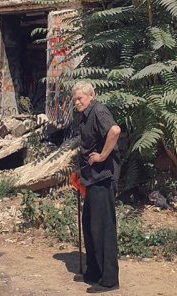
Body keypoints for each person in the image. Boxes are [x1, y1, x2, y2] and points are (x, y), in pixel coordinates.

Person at [72, 81, 121, 293]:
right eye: (75, 99)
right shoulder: (84, 114)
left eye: (80, 98)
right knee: (90, 225)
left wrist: (102, 156)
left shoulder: (99, 110)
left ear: (91, 95)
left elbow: (115, 130)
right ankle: (94, 271)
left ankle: (109, 280)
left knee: (103, 229)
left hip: (103, 177)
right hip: (91, 178)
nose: (77, 102)